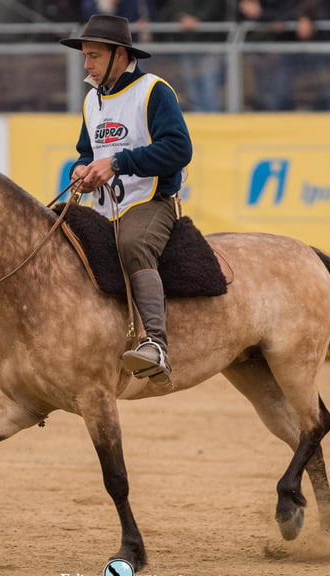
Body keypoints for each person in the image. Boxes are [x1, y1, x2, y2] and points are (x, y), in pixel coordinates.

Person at [60, 14, 193, 384]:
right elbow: (87, 151)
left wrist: (117, 163)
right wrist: (82, 169)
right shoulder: (91, 100)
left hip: (152, 202)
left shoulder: (153, 90)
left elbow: (179, 149)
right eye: (85, 56)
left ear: (121, 55)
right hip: (102, 206)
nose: (86, 64)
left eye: (94, 56)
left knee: (132, 244)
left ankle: (155, 344)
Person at [157, 0, 230, 112]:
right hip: (187, 43)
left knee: (209, 85)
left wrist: (198, 19)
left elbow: (215, 7)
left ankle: (213, 118)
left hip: (210, 42)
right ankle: (199, 119)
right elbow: (172, 7)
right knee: (192, 86)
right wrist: (181, 17)